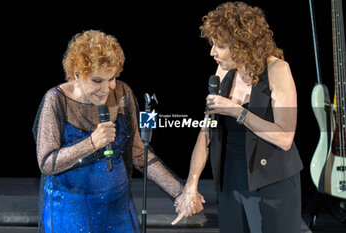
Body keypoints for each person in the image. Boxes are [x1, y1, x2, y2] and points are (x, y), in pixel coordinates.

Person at [32, 30, 202, 233]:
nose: (107, 88)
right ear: (77, 74)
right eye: (97, 81)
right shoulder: (56, 100)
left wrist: (180, 193)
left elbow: (139, 153)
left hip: (117, 209)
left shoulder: (122, 93)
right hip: (70, 212)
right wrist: (92, 143)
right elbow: (46, 162)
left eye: (111, 78)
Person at [172, 2, 304, 233]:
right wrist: (191, 185)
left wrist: (238, 112)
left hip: (273, 181)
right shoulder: (222, 70)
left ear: (243, 45)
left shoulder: (278, 70)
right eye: (213, 44)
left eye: (220, 46)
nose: (212, 52)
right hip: (231, 179)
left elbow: (284, 138)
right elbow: (206, 133)